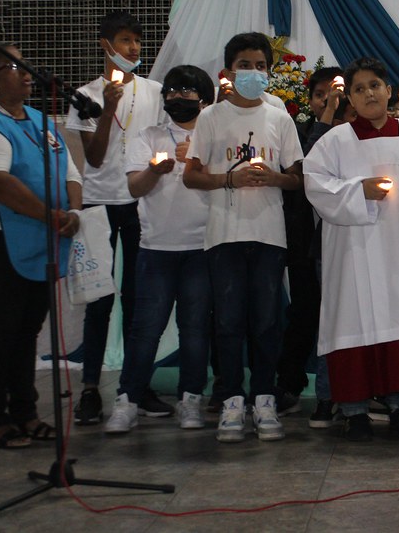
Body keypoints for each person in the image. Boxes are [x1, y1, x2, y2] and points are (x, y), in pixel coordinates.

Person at [183, 32, 304, 442]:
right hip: (224, 234)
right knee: (229, 321)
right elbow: (191, 175)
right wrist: (228, 180)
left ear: (269, 71)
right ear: (229, 72)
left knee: (267, 322)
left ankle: (265, 399)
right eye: (245, 66)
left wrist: (275, 178)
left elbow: (298, 178)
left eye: (260, 66)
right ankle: (232, 400)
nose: (253, 72)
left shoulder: (279, 117)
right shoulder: (211, 117)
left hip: (268, 233)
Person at [0, 43, 82, 448]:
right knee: (2, 328)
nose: (27, 73)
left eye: (26, 65)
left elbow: (70, 170)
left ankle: (26, 413)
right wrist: (52, 216)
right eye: (13, 67)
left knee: (28, 329)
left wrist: (73, 212)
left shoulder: (39, 120)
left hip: (43, 235)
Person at [303, 57, 399, 442]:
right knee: (351, 324)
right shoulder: (334, 141)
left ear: (389, 91)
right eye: (359, 89)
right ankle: (354, 411)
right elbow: (315, 184)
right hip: (352, 252)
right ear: (350, 99)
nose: (369, 93)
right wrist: (359, 190)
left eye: (375, 85)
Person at [65, 10, 167, 425]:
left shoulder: (155, 91)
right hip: (98, 202)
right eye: (125, 40)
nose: (133, 48)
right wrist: (107, 108)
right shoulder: (85, 95)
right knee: (100, 299)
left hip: (140, 201)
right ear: (105, 45)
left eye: (137, 41)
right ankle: (91, 388)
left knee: (138, 298)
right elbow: (93, 157)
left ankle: (135, 386)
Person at [104, 65, 215, 434]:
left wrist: (197, 162)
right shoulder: (148, 136)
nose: (178, 97)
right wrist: (156, 170)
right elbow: (134, 188)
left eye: (187, 91)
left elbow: (229, 182)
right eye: (172, 91)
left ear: (204, 99)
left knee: (195, 329)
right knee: (145, 329)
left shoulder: (213, 137)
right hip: (156, 248)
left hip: (202, 246)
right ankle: (128, 400)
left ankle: (191, 400)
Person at [285, 65, 344, 429]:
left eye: (334, 94)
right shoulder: (302, 133)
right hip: (308, 243)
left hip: (348, 243)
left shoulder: (356, 132)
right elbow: (308, 168)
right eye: (320, 95)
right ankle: (292, 386)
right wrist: (326, 116)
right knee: (307, 316)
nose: (328, 100)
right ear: (310, 101)